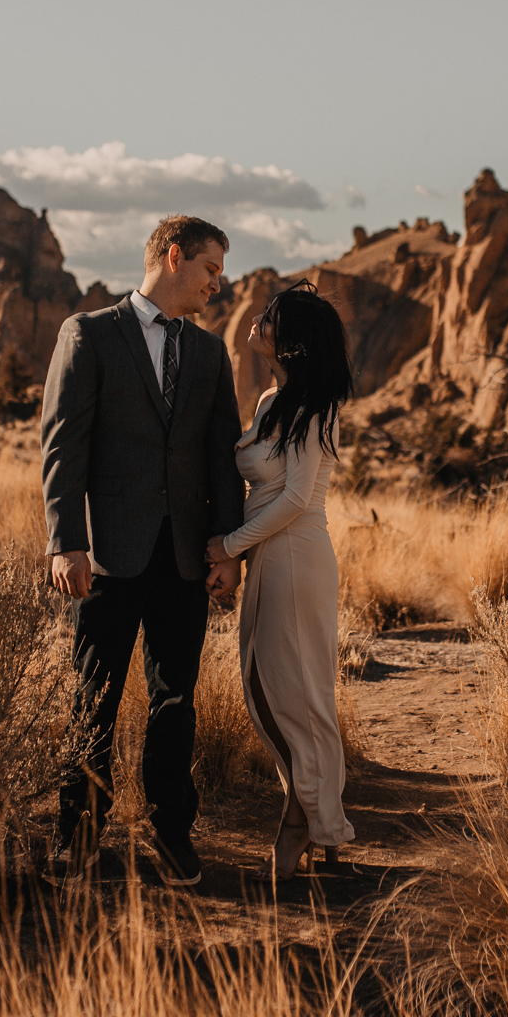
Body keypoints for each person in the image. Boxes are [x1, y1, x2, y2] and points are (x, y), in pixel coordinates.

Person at [40, 215, 245, 888]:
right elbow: (64, 444)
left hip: (184, 556)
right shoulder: (90, 334)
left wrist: (225, 548)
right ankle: (78, 833)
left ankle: (170, 832)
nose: (219, 283)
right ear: (174, 255)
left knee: (174, 699)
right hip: (107, 555)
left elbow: (220, 458)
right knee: (92, 695)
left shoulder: (211, 354)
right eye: (211, 268)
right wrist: (66, 540)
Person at [206, 280, 354, 880]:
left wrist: (229, 546)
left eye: (270, 318)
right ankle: (318, 822)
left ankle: (312, 822)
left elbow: (295, 497)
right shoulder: (273, 401)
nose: (258, 322)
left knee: (294, 697)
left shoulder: (316, 407)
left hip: (296, 558)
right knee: (271, 692)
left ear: (290, 340)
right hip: (272, 555)